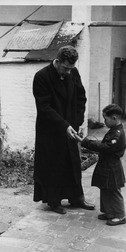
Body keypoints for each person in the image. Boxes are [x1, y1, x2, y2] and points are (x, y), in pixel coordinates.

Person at [32, 45, 95, 214]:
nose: (68, 72)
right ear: (58, 61)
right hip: (51, 129)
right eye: (66, 68)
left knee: (73, 163)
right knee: (54, 165)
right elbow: (44, 108)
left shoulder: (73, 73)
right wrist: (64, 125)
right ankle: (54, 201)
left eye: (71, 68)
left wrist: (78, 122)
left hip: (71, 127)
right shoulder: (41, 77)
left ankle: (77, 198)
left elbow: (81, 97)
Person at [81, 104, 126, 226]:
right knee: (105, 188)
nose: (104, 121)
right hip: (106, 164)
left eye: (106, 119)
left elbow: (105, 147)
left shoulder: (117, 133)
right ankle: (109, 213)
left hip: (112, 166)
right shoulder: (113, 131)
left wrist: (86, 142)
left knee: (113, 190)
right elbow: (103, 144)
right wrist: (86, 142)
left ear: (114, 118)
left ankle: (120, 216)